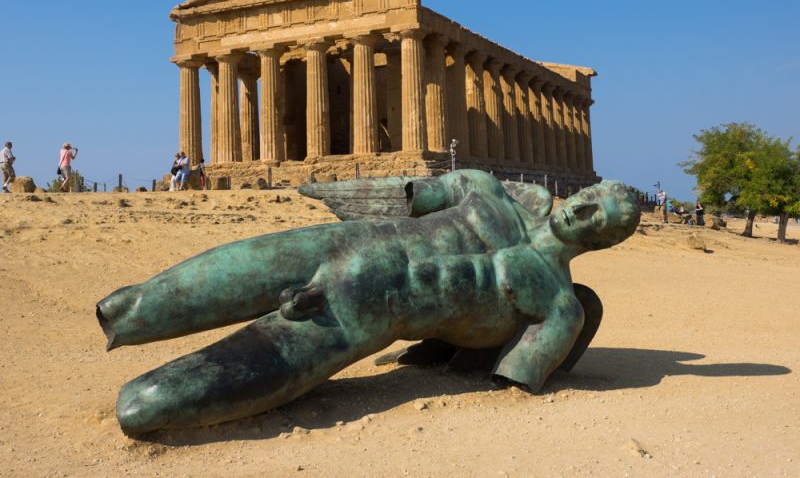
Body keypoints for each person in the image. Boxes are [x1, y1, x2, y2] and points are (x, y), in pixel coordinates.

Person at [96, 170, 640, 433]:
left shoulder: (560, 307)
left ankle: (149, 402)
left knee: (145, 407)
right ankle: (123, 318)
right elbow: (406, 193)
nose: (582, 212)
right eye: (589, 198)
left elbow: (514, 375)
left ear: (607, 242)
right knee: (135, 305)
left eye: (600, 219)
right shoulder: (489, 190)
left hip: (367, 313)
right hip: (343, 241)